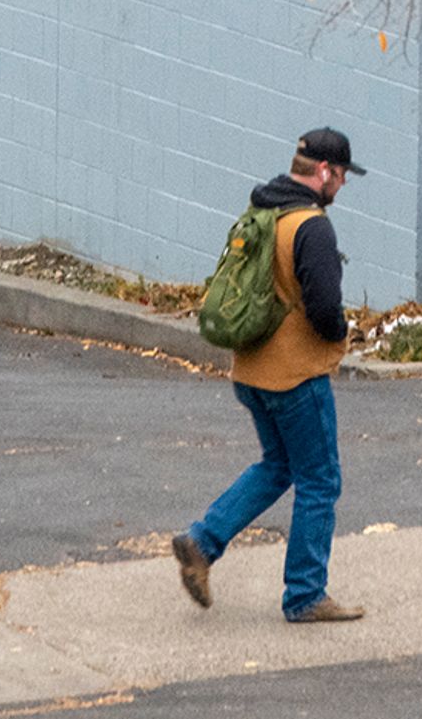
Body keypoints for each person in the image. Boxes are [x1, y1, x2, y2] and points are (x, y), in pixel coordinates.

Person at [172, 126, 365, 623]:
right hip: (294, 375)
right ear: (324, 172)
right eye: (341, 176)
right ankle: (305, 594)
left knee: (278, 466)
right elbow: (324, 308)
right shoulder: (311, 226)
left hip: (250, 370)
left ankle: (202, 541)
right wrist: (343, 331)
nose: (342, 186)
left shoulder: (263, 209)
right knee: (320, 481)